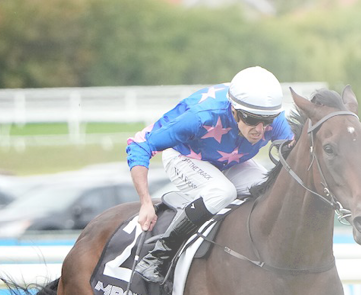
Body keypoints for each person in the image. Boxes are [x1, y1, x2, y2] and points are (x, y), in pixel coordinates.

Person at [126, 66, 295, 283]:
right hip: (184, 157)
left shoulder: (274, 119)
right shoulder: (200, 116)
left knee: (271, 188)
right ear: (234, 111)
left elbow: (294, 157)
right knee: (222, 191)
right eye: (251, 120)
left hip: (231, 160)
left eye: (267, 121)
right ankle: (160, 254)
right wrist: (145, 202)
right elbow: (139, 145)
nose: (260, 130)